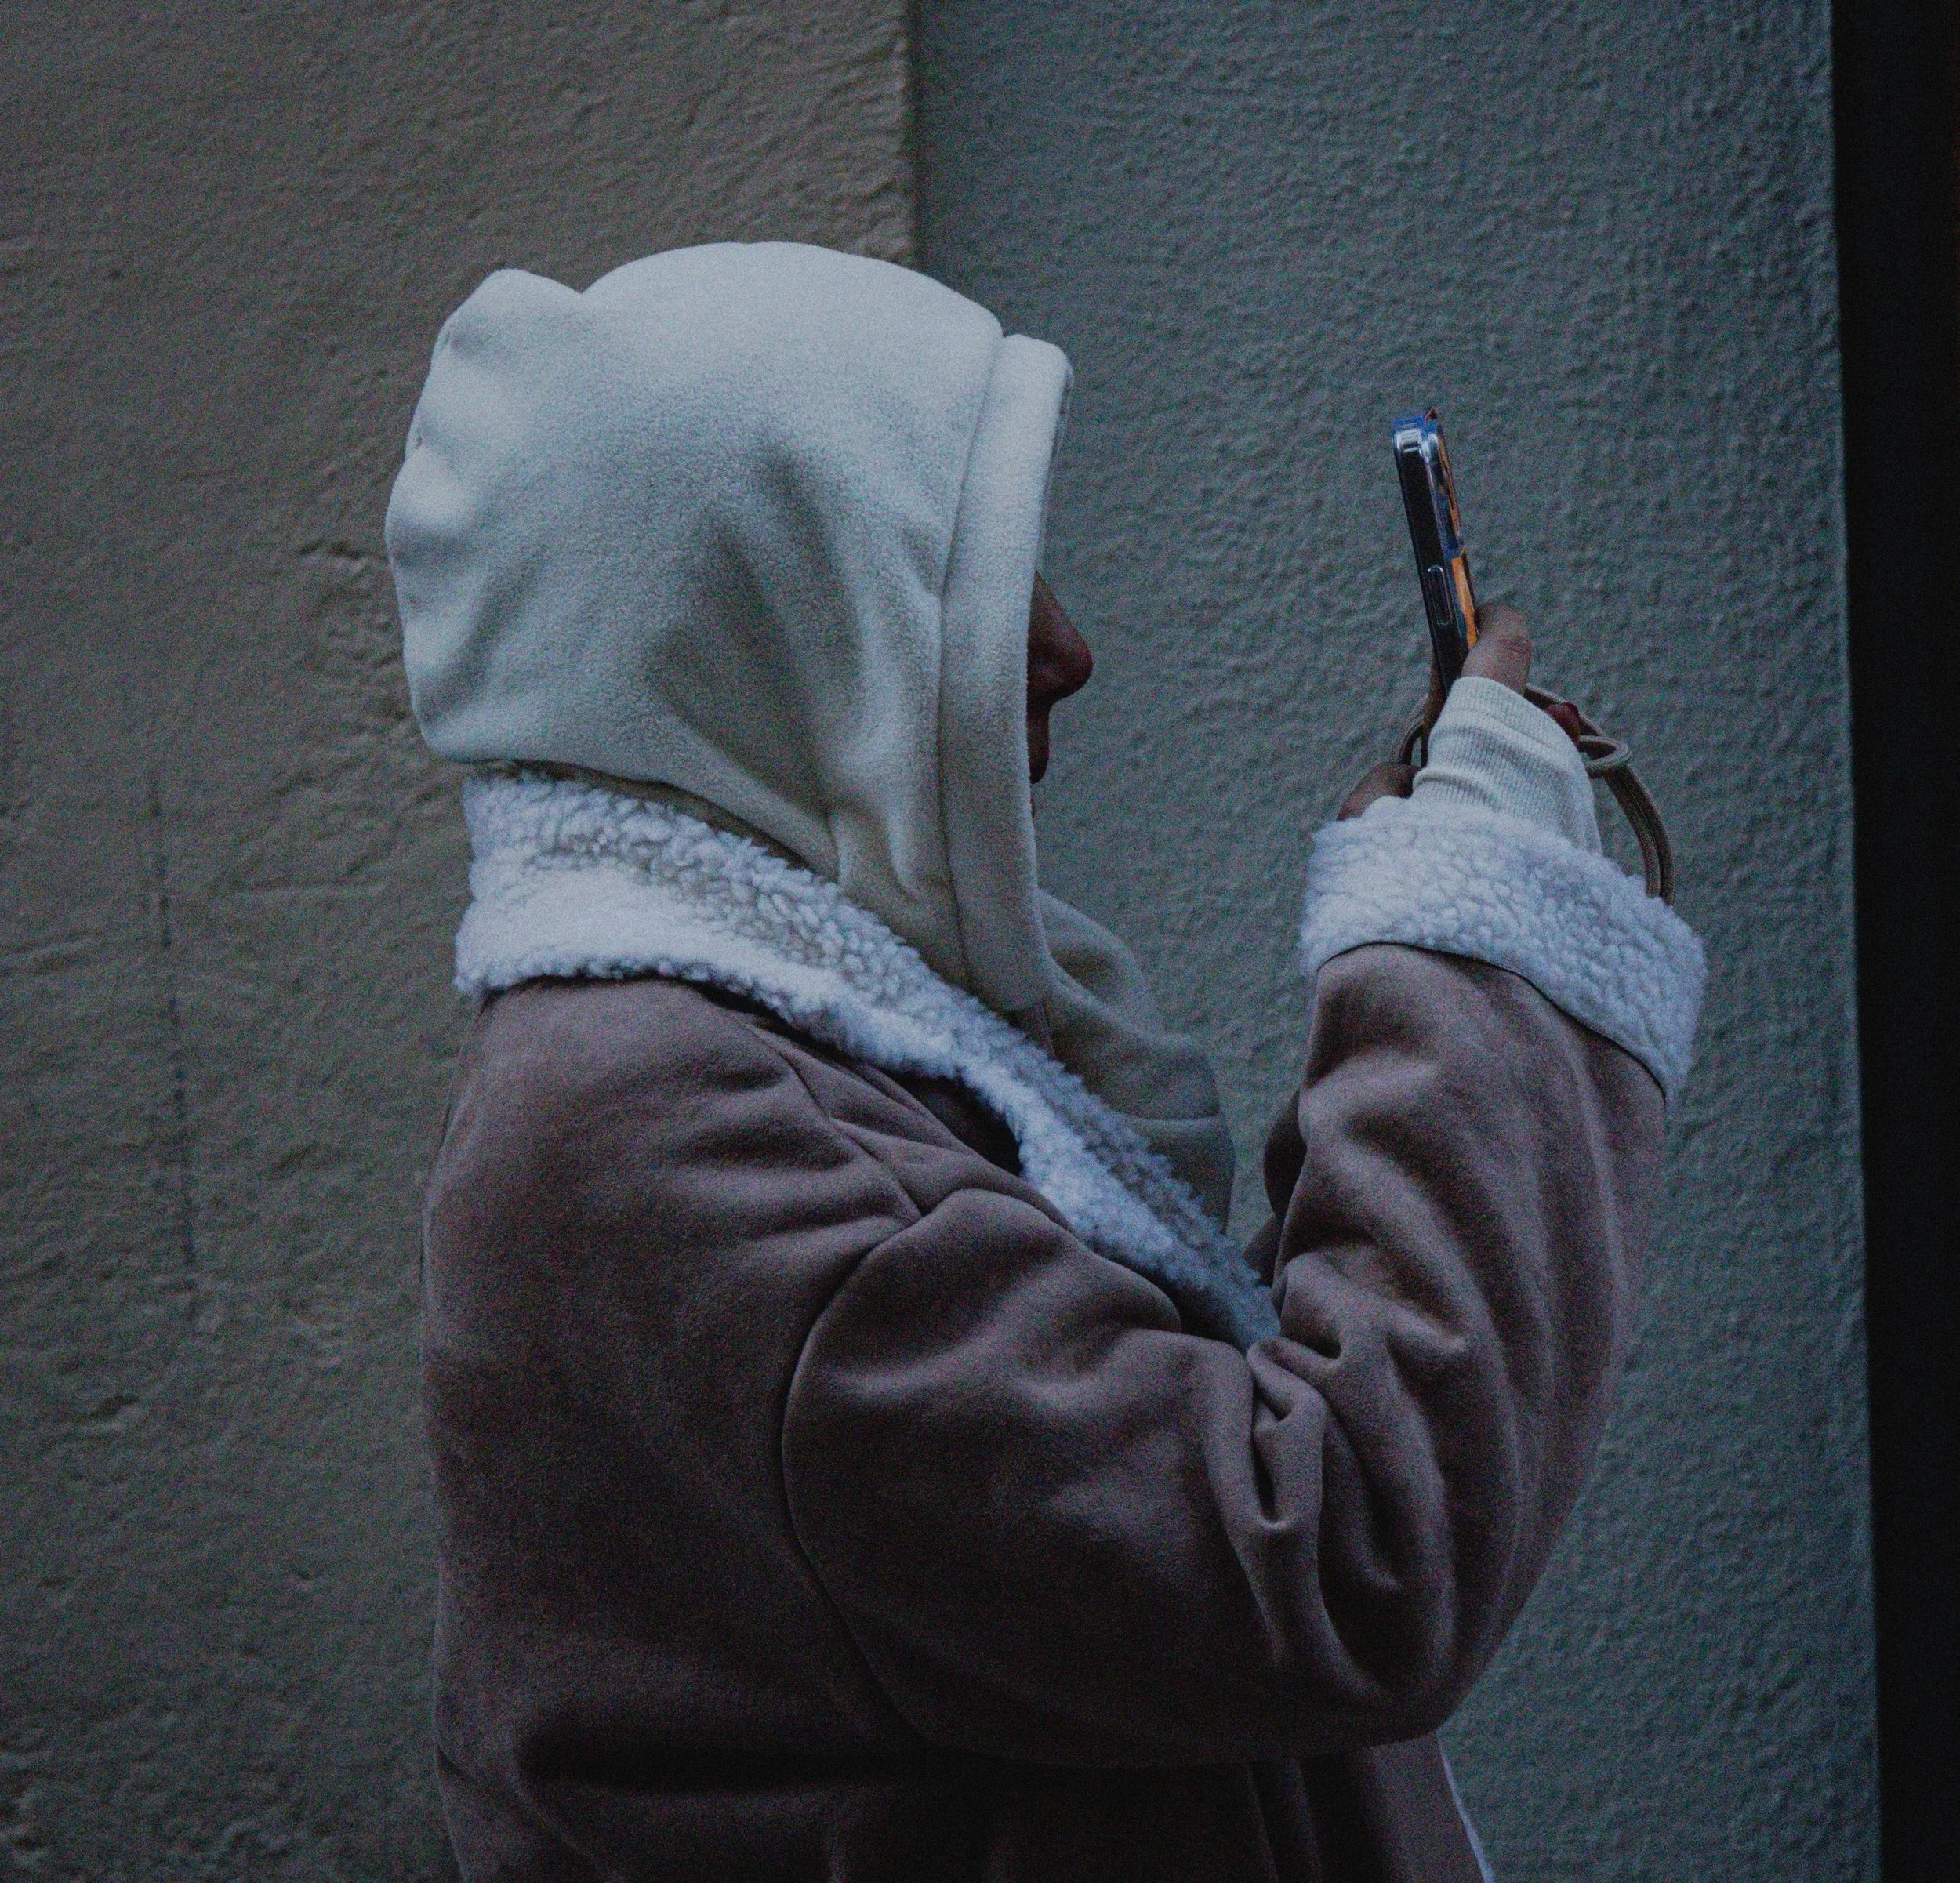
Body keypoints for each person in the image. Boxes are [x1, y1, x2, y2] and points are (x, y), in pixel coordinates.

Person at [387, 242, 1704, 1883]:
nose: (1066, 647)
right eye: (956, 576)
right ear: (759, 624)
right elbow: (1333, 1555)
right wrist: (1468, 938)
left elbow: (1156, 1469)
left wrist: (1430, 961)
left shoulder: (743, 1056)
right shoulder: (663, 1137)